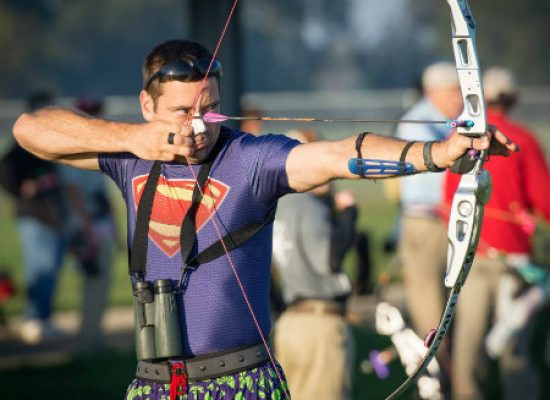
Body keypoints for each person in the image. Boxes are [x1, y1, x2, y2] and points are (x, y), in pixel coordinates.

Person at [12, 39, 516, 400]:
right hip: (154, 385)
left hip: (240, 381)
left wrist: (438, 152)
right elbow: (30, 130)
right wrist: (131, 139)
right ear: (147, 105)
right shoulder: (129, 156)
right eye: (182, 110)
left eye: (208, 109)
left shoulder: (253, 160)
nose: (197, 125)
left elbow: (343, 155)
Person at [444, 67, 550, 400]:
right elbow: (545, 201)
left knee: (469, 346)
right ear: (513, 99)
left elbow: (448, 199)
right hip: (513, 259)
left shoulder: (465, 138)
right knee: (513, 350)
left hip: (472, 258)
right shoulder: (524, 139)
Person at [272, 129, 357, 400]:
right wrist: (348, 217)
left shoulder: (278, 206)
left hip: (288, 324)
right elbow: (328, 260)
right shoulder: (309, 206)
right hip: (319, 326)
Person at [395, 62, 463, 366]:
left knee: (453, 308)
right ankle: (433, 375)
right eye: (455, 92)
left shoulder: (450, 121)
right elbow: (434, 182)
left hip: (447, 221)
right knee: (430, 312)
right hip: (427, 222)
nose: (461, 99)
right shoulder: (418, 124)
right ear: (434, 92)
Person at [0, 91, 69, 345]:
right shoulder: (24, 145)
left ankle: (44, 319)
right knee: (39, 270)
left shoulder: (49, 145)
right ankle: (33, 320)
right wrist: (19, 190)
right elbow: (5, 169)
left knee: (51, 269)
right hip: (34, 217)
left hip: (52, 217)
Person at [60, 97, 118, 348]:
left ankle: (92, 334)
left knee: (101, 281)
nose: (99, 119)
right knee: (94, 281)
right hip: (89, 228)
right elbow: (74, 195)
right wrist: (89, 232)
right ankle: (89, 337)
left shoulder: (94, 150)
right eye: (94, 114)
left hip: (100, 225)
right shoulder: (75, 150)